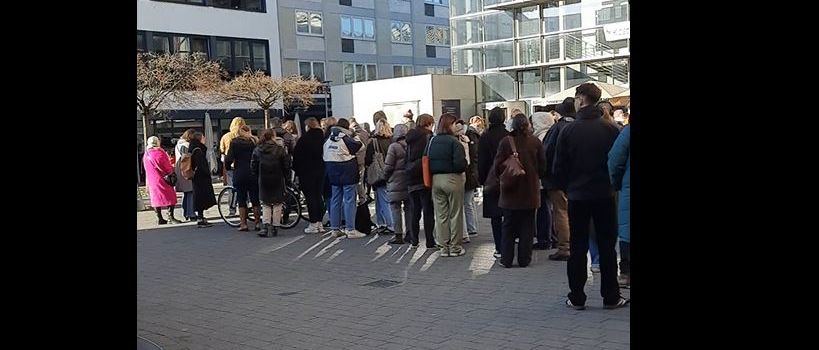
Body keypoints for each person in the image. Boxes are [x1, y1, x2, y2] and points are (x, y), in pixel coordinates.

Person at [554, 82, 628, 309]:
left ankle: (576, 296)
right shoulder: (611, 128)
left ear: (581, 99)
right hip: (605, 194)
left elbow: (559, 167)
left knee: (578, 247)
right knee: (607, 247)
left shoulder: (568, 130)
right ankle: (611, 296)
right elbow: (618, 162)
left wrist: (567, 187)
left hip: (577, 195)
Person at [494, 114, 547, 268]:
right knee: (528, 226)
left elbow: (497, 166)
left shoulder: (505, 142)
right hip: (530, 190)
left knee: (508, 225)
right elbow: (543, 167)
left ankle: (506, 259)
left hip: (510, 191)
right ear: (528, 125)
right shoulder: (535, 142)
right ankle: (524, 259)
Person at [428, 113, 467, 257]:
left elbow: (426, 159)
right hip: (452, 179)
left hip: (435, 180)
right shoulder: (455, 143)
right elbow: (460, 164)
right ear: (450, 125)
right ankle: (455, 247)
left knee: (441, 215)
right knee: (455, 214)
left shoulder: (432, 141)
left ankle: (443, 247)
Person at [542, 98, 576, 260]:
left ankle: (565, 247)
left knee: (561, 212)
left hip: (557, 179)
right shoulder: (580, 126)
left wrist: (545, 174)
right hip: (580, 179)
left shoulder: (557, 128)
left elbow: (546, 153)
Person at [323, 118, 366, 238]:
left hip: (332, 172)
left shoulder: (328, 139)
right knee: (349, 200)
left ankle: (335, 228)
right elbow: (360, 146)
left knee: (335, 200)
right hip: (347, 172)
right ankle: (350, 229)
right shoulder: (345, 138)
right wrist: (356, 136)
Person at [478, 108, 509, 258]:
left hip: (492, 180)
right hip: (509, 179)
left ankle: (499, 247)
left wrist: (482, 180)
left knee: (495, 216)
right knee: (509, 213)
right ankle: (509, 243)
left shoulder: (485, 137)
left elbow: (482, 161)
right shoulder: (509, 136)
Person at [405, 114, 437, 249]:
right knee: (428, 211)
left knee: (415, 210)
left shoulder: (409, 137)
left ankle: (414, 240)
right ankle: (430, 241)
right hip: (424, 176)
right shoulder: (429, 136)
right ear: (429, 123)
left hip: (411, 176)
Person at [252, 128, 291, 237]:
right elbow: (286, 166)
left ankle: (265, 226)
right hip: (278, 178)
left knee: (266, 203)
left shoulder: (258, 150)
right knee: (278, 203)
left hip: (263, 178)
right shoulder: (280, 149)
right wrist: (287, 179)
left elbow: (253, 166)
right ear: (273, 137)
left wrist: (256, 176)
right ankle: (275, 226)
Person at [293, 117, 327, 234]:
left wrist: (297, 171)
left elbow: (296, 157)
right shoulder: (323, 138)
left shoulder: (304, 139)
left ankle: (313, 223)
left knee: (310, 198)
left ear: (308, 126)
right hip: (321, 170)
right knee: (319, 197)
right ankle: (320, 223)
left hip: (306, 172)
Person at [224, 125, 260, 232]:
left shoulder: (234, 142)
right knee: (255, 199)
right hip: (253, 173)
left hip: (240, 173)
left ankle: (244, 224)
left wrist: (227, 167)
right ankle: (257, 223)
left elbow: (229, 158)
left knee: (241, 199)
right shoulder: (254, 142)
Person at [608, 123, 630, 289]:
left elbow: (615, 159)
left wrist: (616, 183)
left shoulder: (628, 132)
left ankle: (626, 273)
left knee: (628, 230)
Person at [531, 107, 555, 250]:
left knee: (543, 209)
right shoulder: (551, 133)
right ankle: (551, 237)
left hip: (542, 179)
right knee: (549, 208)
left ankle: (544, 238)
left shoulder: (541, 137)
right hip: (549, 178)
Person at [143, 136, 181, 225]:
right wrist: (172, 172)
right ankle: (170, 216)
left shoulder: (146, 154)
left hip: (152, 180)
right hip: (163, 179)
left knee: (155, 198)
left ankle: (159, 218)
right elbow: (167, 166)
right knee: (170, 196)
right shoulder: (160, 152)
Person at [384, 124, 411, 246]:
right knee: (409, 208)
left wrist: (386, 177)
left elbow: (388, 166)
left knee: (395, 208)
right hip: (408, 180)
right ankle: (410, 233)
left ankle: (398, 234)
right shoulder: (411, 145)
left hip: (395, 181)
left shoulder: (393, 147)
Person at [366, 119, 395, 235]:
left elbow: (367, 159)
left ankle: (387, 223)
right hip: (391, 173)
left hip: (379, 174)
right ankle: (385, 223)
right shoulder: (392, 141)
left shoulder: (373, 142)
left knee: (381, 199)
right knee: (386, 199)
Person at [455, 120, 479, 242]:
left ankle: (468, 230)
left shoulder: (463, 140)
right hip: (471, 174)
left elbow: (468, 160)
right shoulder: (470, 137)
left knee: (465, 204)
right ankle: (471, 227)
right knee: (468, 203)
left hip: (466, 175)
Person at [219, 116, 246, 216]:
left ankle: (232, 208)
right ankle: (245, 206)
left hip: (231, 164)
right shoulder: (246, 136)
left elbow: (222, 151)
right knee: (245, 187)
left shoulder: (226, 137)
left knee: (232, 187)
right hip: (243, 164)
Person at [189, 132, 216, 228]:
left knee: (199, 196)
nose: (205, 139)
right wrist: (207, 173)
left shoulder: (194, 148)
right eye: (203, 137)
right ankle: (200, 218)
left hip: (196, 177)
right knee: (201, 197)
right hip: (201, 177)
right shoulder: (198, 150)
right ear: (200, 139)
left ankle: (201, 216)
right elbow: (200, 165)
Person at [174, 129, 196, 221]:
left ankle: (186, 212)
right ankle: (190, 213)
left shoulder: (178, 144)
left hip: (179, 168)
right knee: (190, 191)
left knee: (186, 192)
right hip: (186, 168)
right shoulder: (186, 145)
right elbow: (187, 157)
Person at [349, 117, 372, 205]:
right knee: (360, 182)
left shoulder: (352, 134)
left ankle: (355, 200)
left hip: (353, 160)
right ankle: (363, 199)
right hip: (363, 160)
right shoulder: (365, 133)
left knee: (353, 183)